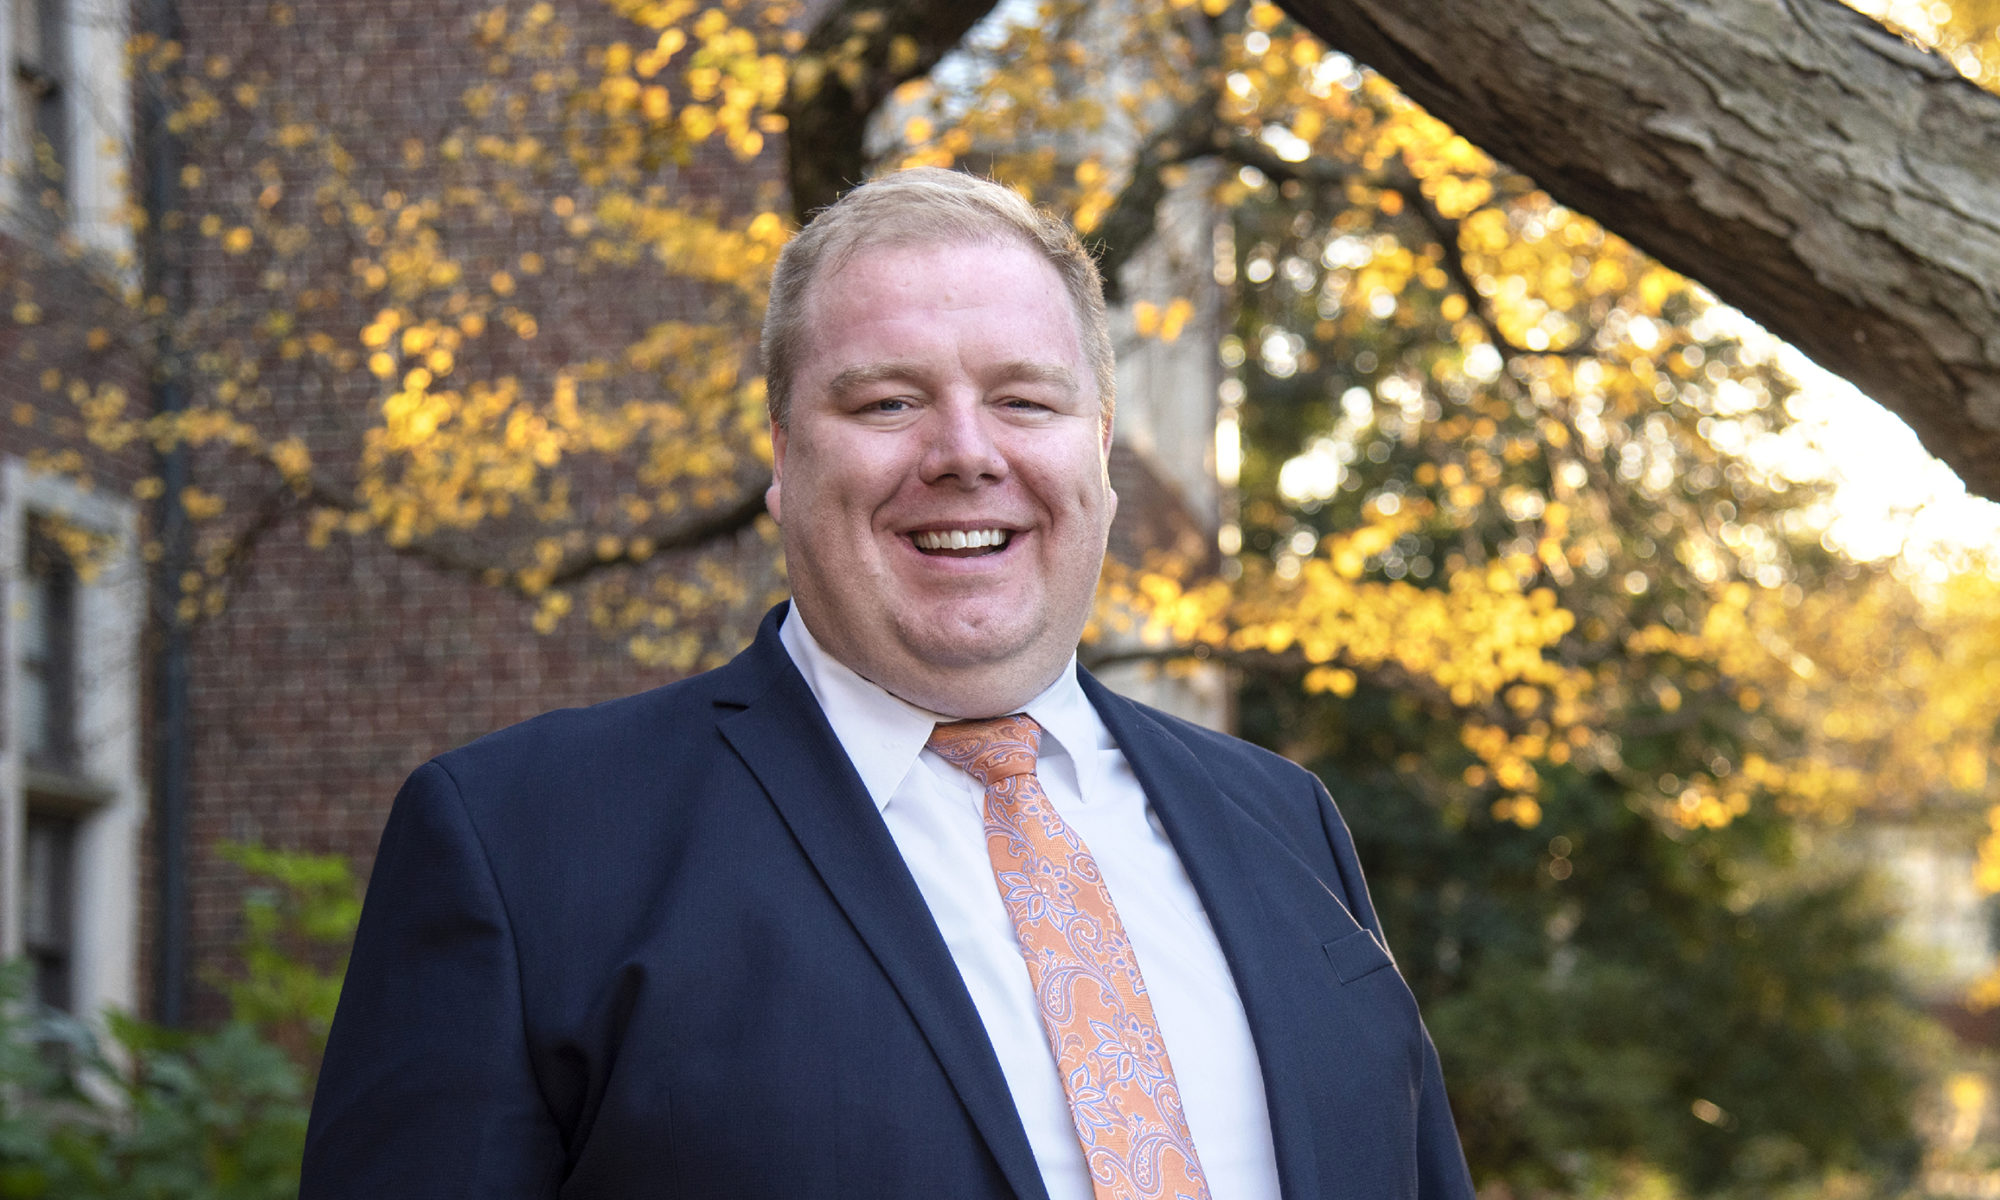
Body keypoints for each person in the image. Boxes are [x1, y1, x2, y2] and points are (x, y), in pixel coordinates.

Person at [302, 168, 1475, 1200]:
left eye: (1024, 399)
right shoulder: (525, 847)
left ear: (1098, 454)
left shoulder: (1281, 822)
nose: (966, 452)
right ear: (782, 461)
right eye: (886, 402)